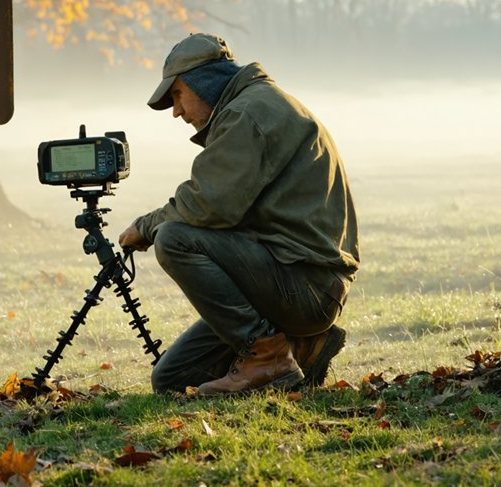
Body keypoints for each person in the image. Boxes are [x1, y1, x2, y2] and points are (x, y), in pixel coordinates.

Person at [118, 33, 359, 395]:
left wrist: (146, 226)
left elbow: (207, 204)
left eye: (178, 95)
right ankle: (302, 347)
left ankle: (269, 359)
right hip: (295, 280)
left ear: (206, 81)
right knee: (172, 379)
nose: (176, 111)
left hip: (308, 288)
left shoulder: (248, 112)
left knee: (173, 239)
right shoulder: (255, 105)